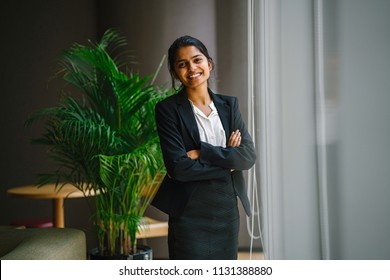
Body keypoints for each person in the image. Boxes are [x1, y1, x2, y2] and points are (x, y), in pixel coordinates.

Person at [151, 35, 256, 260]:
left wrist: (202, 152)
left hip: (225, 207)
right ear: (175, 73)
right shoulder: (167, 110)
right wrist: (227, 163)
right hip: (189, 210)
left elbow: (247, 157)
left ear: (209, 63)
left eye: (197, 60)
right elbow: (179, 168)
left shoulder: (230, 105)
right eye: (182, 64)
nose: (192, 68)